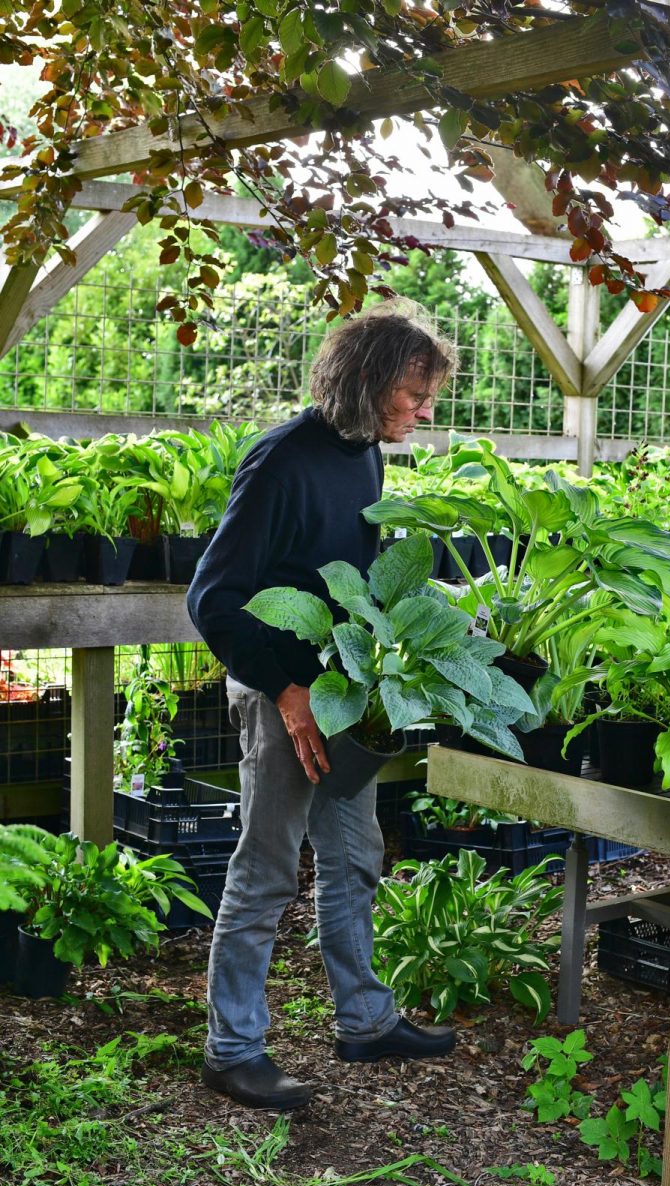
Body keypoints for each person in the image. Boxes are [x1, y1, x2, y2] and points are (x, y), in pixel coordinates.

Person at [187, 301, 458, 1110]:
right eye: (416, 395)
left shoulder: (367, 454)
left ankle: (365, 1022)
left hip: (342, 697)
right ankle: (231, 1048)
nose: (425, 410)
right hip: (282, 695)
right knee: (268, 868)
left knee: (354, 856)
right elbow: (214, 598)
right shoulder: (279, 462)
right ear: (372, 383)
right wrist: (289, 691)